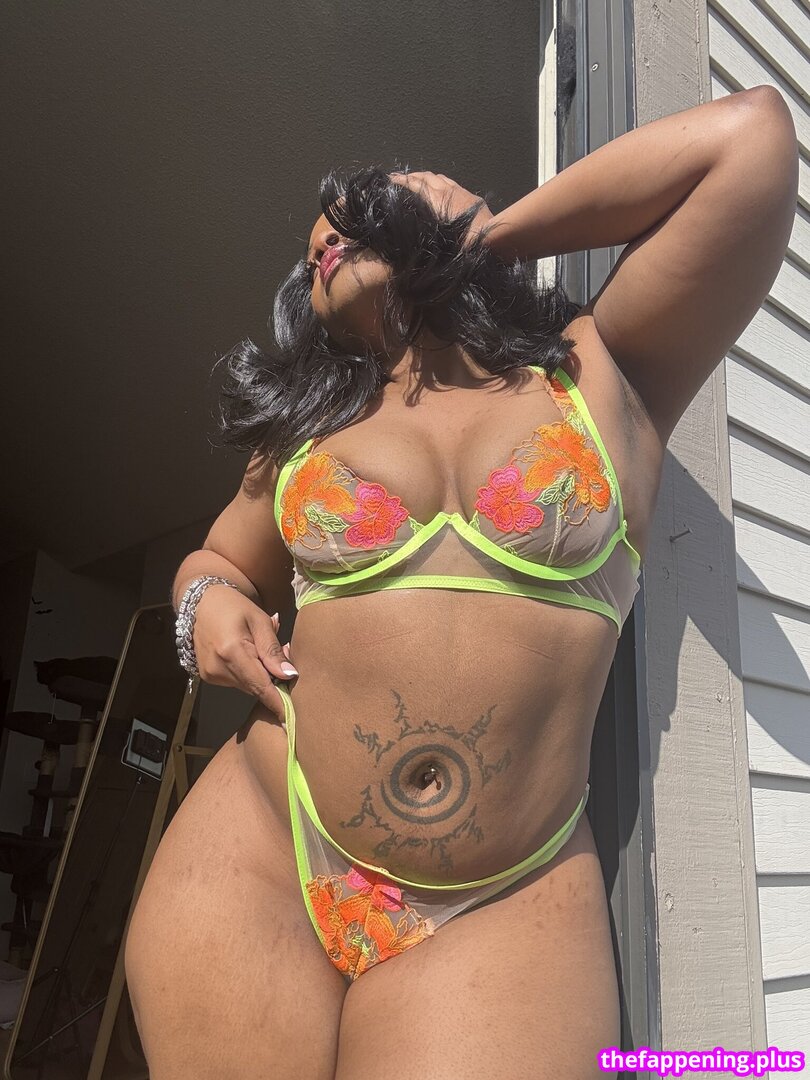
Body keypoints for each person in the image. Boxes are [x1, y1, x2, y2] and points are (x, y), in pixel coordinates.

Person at [123, 85, 797, 1079]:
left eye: (352, 219)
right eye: (312, 249)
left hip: (501, 900)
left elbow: (751, 145)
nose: (322, 244)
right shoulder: (313, 420)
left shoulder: (599, 370)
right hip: (266, 839)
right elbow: (216, 560)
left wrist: (489, 235)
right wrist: (206, 605)